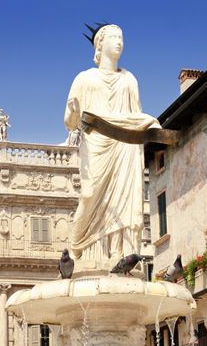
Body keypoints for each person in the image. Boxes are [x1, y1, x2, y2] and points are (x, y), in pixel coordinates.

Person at [64, 24, 160, 261]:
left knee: (124, 198)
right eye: (114, 37)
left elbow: (134, 115)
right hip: (96, 144)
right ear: (100, 44)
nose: (119, 41)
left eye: (122, 37)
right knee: (89, 194)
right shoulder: (85, 78)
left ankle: (119, 254)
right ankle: (77, 245)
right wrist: (74, 109)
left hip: (124, 144)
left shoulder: (129, 80)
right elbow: (69, 122)